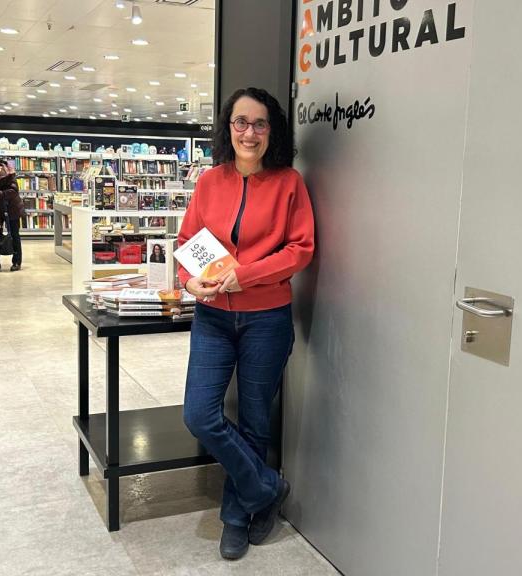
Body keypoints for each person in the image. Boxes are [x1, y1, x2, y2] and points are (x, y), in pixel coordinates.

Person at [178, 87, 315, 561]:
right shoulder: (209, 182)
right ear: (227, 127)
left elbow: (300, 249)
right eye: (240, 122)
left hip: (266, 319)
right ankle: (267, 488)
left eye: (259, 124)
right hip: (212, 318)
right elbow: (187, 241)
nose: (249, 133)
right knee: (200, 414)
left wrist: (244, 275)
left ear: (271, 130)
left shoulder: (289, 183)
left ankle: (238, 516)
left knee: (256, 420)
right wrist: (189, 281)